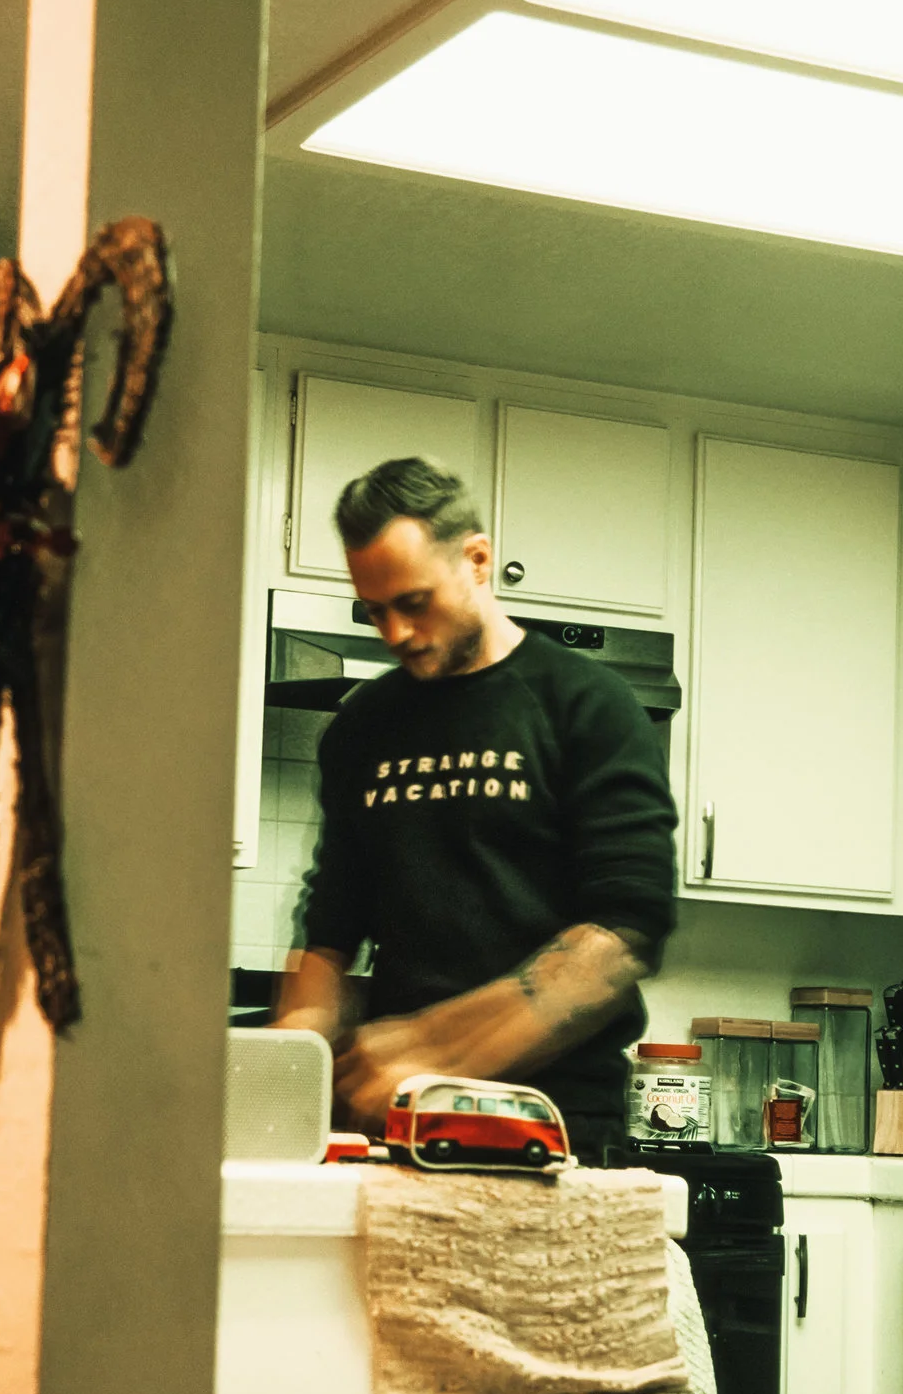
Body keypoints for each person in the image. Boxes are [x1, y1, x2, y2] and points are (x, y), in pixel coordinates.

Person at [273, 456, 678, 1144]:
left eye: (414, 601)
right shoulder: (362, 727)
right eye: (375, 612)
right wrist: (288, 1066)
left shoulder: (586, 704)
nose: (394, 634)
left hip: (555, 1127)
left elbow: (623, 929)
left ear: (478, 560)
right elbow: (331, 927)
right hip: (403, 1124)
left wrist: (427, 1050)